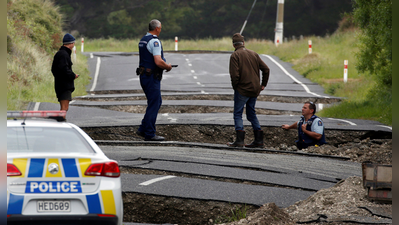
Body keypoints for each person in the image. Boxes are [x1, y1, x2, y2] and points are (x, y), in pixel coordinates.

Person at [227, 33, 270, 148]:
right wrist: (263, 84)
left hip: (242, 90)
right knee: (251, 114)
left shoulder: (235, 56)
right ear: (243, 43)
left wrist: (235, 87)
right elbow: (266, 69)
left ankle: (240, 140)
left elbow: (234, 75)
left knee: (238, 114)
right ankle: (259, 140)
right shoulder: (253, 54)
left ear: (233, 44)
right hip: (255, 90)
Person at [136, 19, 172, 141]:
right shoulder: (154, 41)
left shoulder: (143, 40)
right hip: (151, 77)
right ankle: (150, 133)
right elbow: (158, 61)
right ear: (157, 28)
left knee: (155, 102)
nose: (160, 30)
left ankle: (142, 129)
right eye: (160, 28)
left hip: (144, 75)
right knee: (154, 104)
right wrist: (167, 66)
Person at [51, 33, 79, 119]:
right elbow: (65, 70)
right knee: (64, 108)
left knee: (65, 108)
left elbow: (55, 69)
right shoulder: (63, 54)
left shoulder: (62, 53)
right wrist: (73, 75)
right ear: (71, 44)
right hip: (64, 86)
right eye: (73, 43)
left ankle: (61, 122)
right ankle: (60, 124)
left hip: (61, 85)